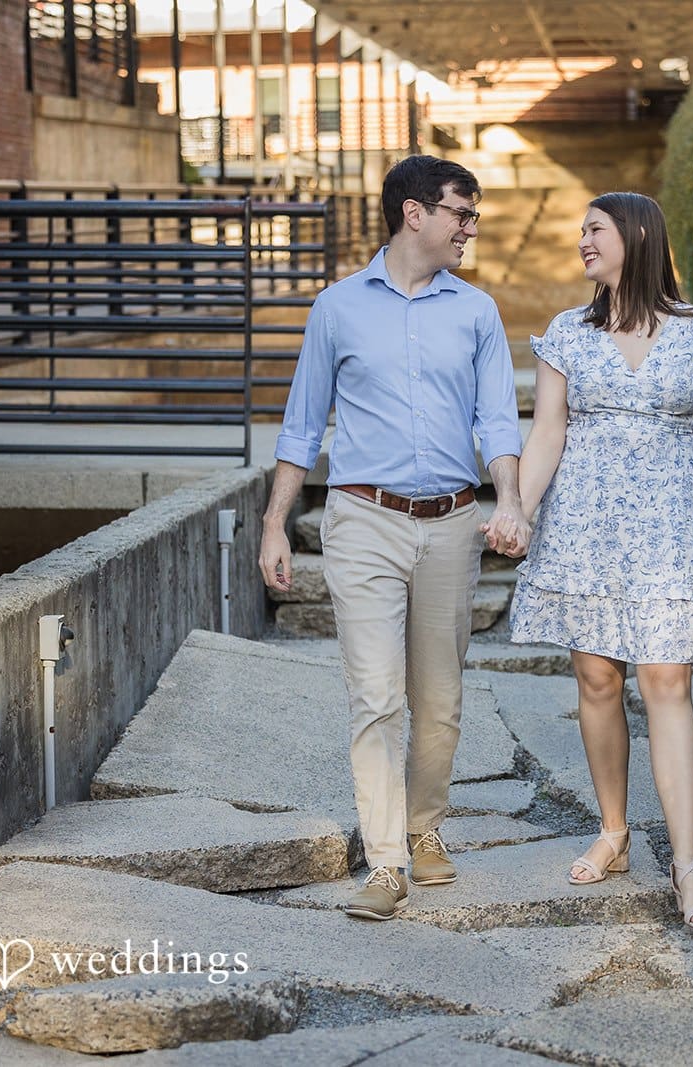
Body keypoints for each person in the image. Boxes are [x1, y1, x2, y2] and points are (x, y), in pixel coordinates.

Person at [259, 155, 527, 921]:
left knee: (438, 700)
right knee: (376, 696)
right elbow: (302, 425)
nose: (469, 228)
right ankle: (386, 862)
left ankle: (424, 824)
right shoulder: (337, 308)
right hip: (363, 521)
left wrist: (508, 498)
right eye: (461, 214)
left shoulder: (476, 312)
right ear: (415, 213)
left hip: (449, 524)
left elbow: (497, 421)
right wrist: (277, 523)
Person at [501, 191, 693, 932]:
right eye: (579, 231)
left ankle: (687, 862)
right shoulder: (568, 334)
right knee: (598, 678)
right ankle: (614, 831)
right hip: (585, 526)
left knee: (667, 679)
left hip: (670, 529)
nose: (581, 241)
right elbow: (546, 434)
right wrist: (520, 508)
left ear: (635, 236)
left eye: (594, 230)